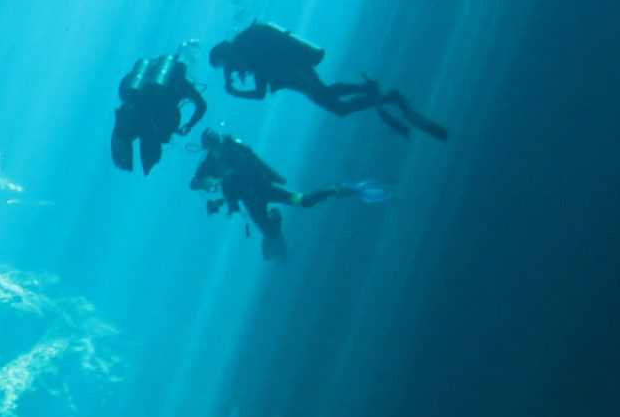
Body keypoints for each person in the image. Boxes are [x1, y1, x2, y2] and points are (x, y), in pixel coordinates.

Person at [207, 22, 448, 140]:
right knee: (330, 98)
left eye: (225, 65)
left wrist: (235, 92)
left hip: (296, 72)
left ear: (228, 55)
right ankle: (372, 90)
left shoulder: (253, 56)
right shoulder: (250, 53)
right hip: (296, 73)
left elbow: (260, 94)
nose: (229, 69)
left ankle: (387, 96)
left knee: (336, 106)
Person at [190, 130, 350, 262]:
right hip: (254, 199)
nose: (218, 150)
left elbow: (256, 160)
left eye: (217, 144)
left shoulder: (233, 147)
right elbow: (194, 184)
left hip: (263, 190)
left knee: (303, 201)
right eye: (214, 146)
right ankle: (280, 243)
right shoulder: (210, 164)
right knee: (270, 233)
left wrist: (275, 176)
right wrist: (211, 182)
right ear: (209, 148)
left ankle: (333, 190)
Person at [110, 51, 209, 175]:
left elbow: (125, 85)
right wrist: (189, 125)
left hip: (134, 110)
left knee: (139, 132)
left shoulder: (150, 71)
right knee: (157, 136)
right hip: (152, 116)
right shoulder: (183, 83)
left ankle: (127, 158)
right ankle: (145, 166)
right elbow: (202, 106)